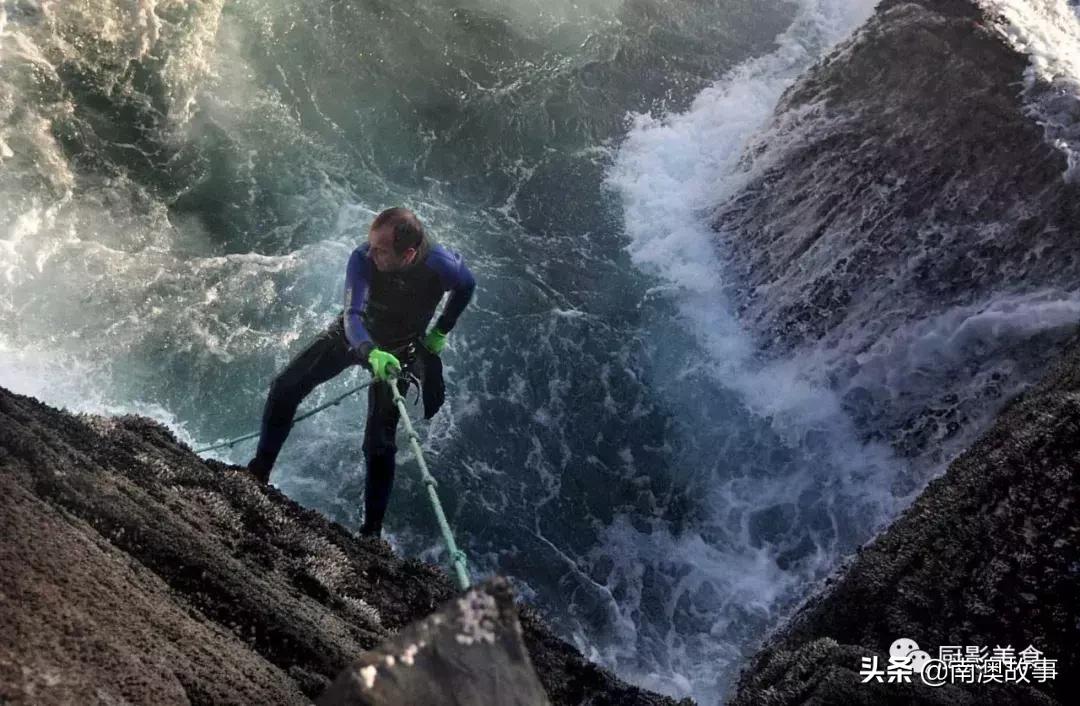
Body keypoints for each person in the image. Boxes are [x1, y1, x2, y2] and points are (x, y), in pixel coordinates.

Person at [246, 207, 476, 537]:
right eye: (371, 244)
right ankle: (258, 473)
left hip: (399, 350)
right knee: (285, 387)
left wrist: (441, 331)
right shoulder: (361, 259)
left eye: (381, 250)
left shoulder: (441, 265)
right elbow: (352, 316)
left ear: (408, 254)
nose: (371, 253)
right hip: (354, 337)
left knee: (379, 444)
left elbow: (466, 285)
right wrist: (369, 351)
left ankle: (371, 535)